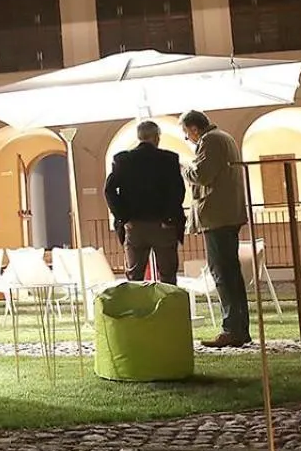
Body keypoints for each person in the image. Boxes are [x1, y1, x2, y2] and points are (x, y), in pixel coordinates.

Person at [181, 109, 251, 348]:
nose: (188, 139)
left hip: (217, 215)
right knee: (231, 273)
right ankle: (240, 328)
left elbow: (201, 175)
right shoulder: (225, 137)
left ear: (193, 129)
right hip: (229, 213)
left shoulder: (209, 141)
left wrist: (184, 168)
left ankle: (231, 328)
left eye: (186, 135)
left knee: (221, 272)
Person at [106, 120, 188, 285]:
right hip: (163, 225)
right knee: (168, 276)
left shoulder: (123, 160)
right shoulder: (169, 159)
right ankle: (167, 308)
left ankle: (137, 309)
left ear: (139, 137)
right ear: (156, 137)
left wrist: (124, 218)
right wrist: (170, 218)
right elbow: (178, 190)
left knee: (134, 277)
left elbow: (109, 190)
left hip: (134, 226)